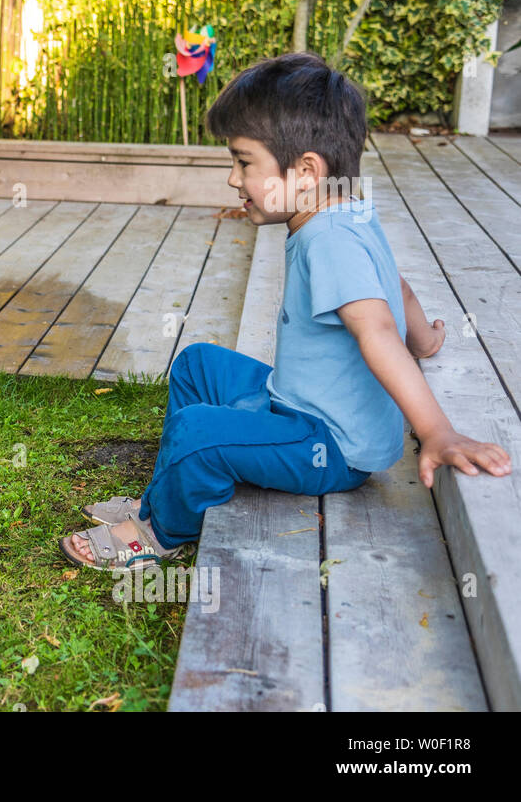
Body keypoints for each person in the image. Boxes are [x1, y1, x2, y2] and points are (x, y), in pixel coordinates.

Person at [59, 52, 512, 571]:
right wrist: (427, 341)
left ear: (305, 171)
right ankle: (158, 496)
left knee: (199, 432)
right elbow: (395, 285)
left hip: (329, 446)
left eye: (244, 162)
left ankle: (158, 533)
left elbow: (378, 330)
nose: (233, 179)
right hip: (294, 404)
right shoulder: (347, 211)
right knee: (196, 365)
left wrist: (436, 431)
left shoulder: (330, 240)